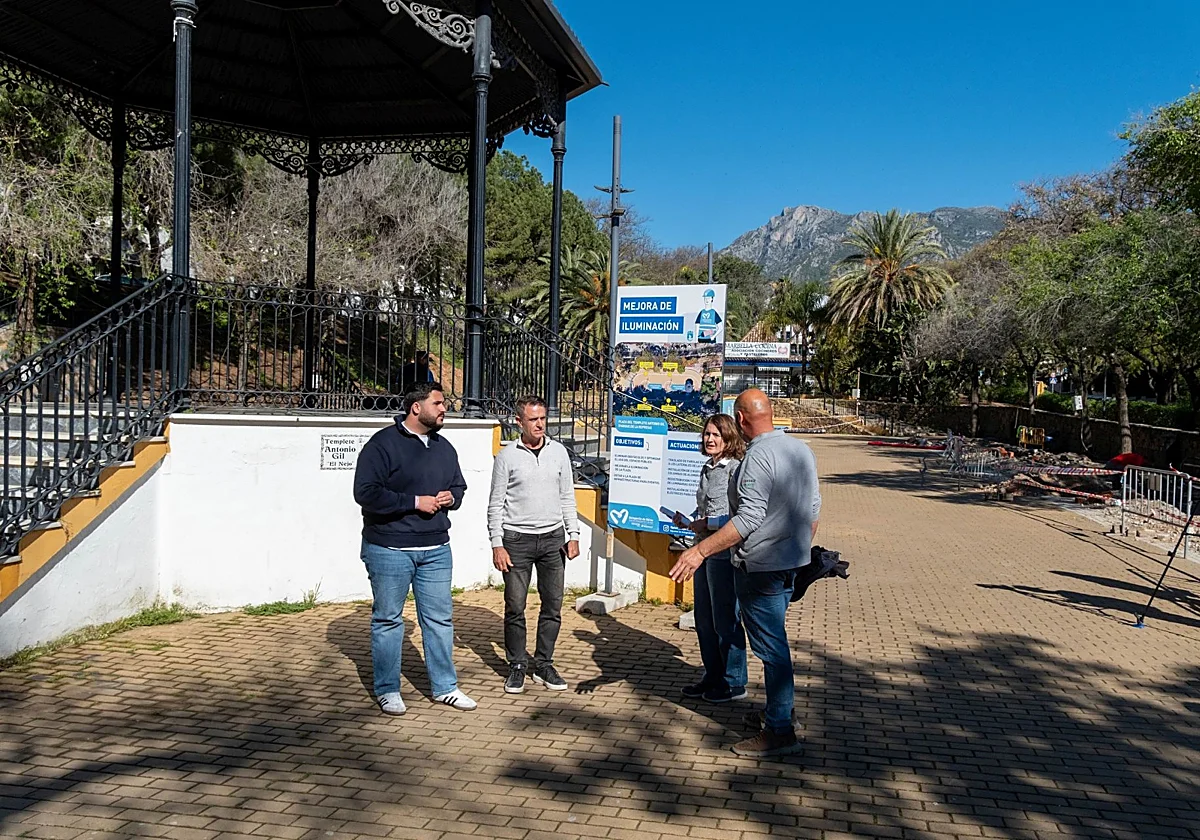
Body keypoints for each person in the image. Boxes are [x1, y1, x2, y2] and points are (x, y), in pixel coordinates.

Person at [670, 388, 821, 758]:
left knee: (772, 650)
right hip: (788, 565)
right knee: (775, 645)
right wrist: (795, 551)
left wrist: (699, 551)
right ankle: (778, 714)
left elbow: (749, 518)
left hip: (761, 569)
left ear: (739, 418)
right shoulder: (801, 450)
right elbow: (813, 512)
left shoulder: (756, 458)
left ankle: (780, 731)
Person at [353, 381, 477, 716]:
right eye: (438, 403)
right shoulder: (382, 445)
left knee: (439, 620)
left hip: (436, 548)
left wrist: (453, 497)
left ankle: (445, 687)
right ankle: (388, 690)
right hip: (389, 547)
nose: (444, 408)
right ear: (416, 407)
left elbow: (459, 486)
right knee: (389, 620)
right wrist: (413, 502)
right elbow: (365, 493)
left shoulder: (444, 447)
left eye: (444, 403)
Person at [488, 395, 581, 694]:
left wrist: (574, 535)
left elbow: (567, 496)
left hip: (554, 540)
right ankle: (517, 665)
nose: (540, 424)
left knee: (552, 605)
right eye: (533, 419)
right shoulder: (507, 457)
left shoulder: (559, 453)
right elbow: (495, 504)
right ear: (519, 422)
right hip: (516, 541)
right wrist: (497, 544)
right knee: (515, 605)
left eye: (542, 419)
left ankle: (544, 664)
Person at [673, 413, 749, 704]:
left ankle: (734, 681)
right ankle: (712, 674)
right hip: (699, 549)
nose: (709, 439)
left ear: (729, 437)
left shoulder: (736, 469)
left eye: (716, 435)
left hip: (721, 552)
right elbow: (703, 507)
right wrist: (690, 520)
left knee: (725, 618)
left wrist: (709, 524)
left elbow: (740, 515)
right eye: (706, 434)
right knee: (704, 619)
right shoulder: (707, 468)